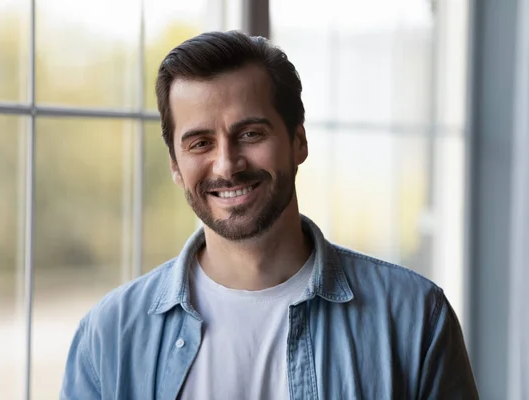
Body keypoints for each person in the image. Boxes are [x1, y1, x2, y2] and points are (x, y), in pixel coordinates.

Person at [60, 31, 478, 400]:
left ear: (298, 141)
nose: (226, 165)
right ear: (174, 165)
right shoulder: (109, 337)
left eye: (250, 134)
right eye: (200, 143)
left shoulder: (413, 318)